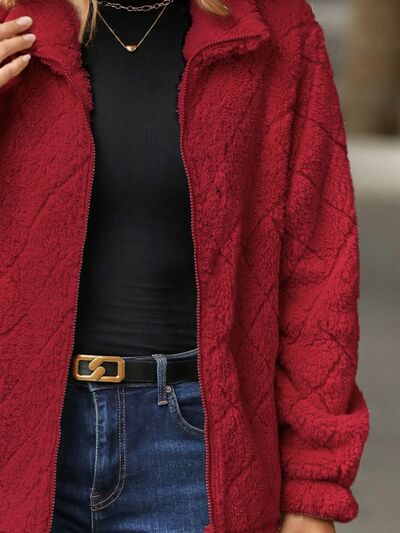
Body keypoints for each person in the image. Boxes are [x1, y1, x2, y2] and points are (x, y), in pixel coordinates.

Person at [0, 0, 370, 532]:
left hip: (191, 454)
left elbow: (319, 269)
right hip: (17, 447)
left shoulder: (276, 26)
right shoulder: (13, 19)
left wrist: (314, 491)